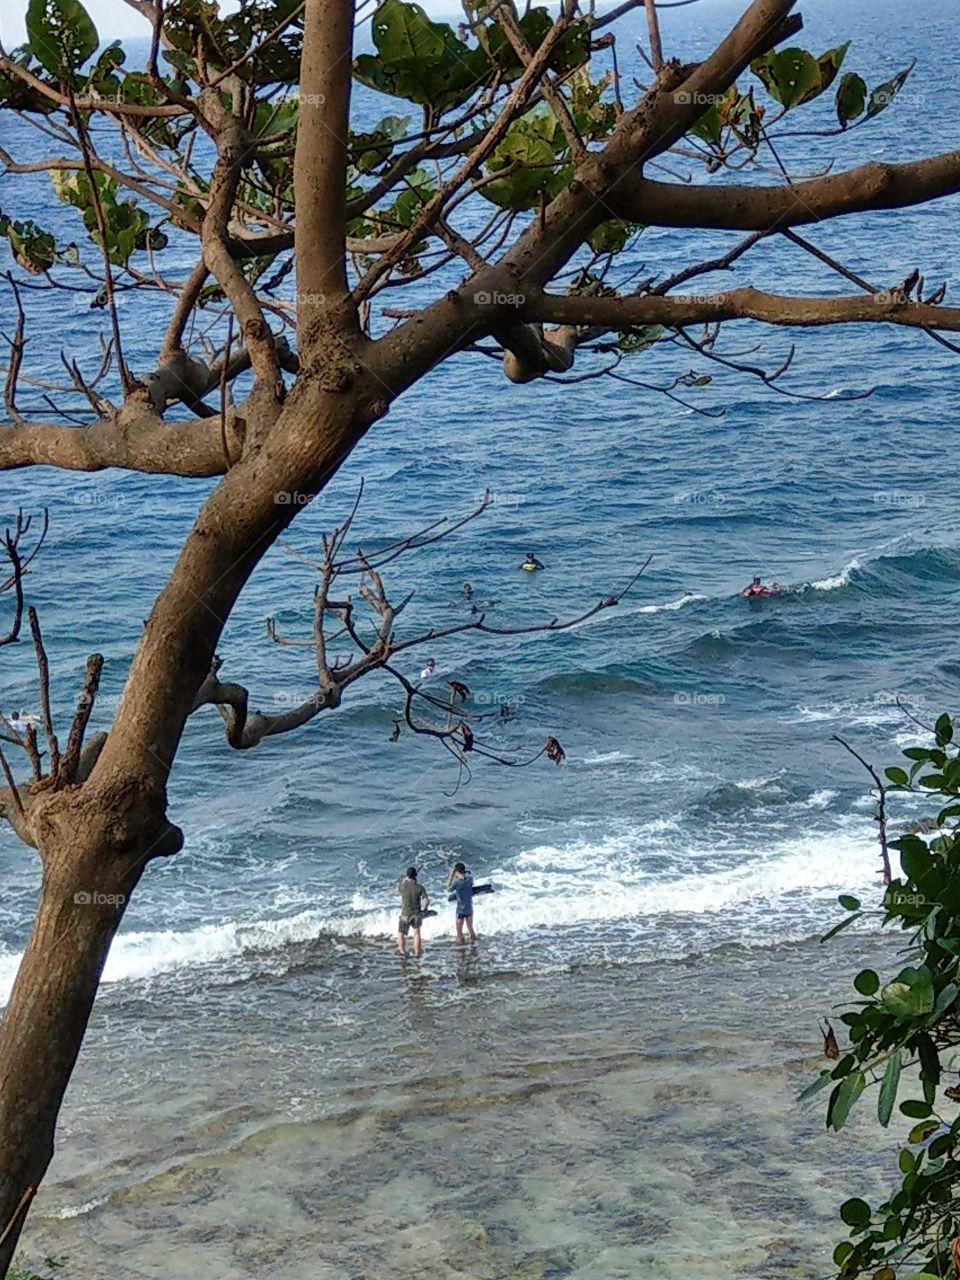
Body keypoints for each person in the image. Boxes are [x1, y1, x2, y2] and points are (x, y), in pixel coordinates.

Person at [396, 866, 430, 956]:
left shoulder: (402, 886)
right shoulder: (420, 888)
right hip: (416, 914)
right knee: (416, 933)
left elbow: (396, 890)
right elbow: (426, 900)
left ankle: (402, 951)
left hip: (405, 914)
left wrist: (404, 881)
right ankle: (417, 952)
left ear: (407, 875)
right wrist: (425, 909)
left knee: (401, 933)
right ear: (415, 876)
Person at [446, 861, 477, 944]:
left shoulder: (456, 883)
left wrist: (451, 876)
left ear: (457, 872)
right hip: (469, 909)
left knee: (459, 933)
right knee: (471, 929)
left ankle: (461, 950)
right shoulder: (470, 879)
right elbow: (469, 877)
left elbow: (448, 888)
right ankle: (474, 946)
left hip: (460, 910)